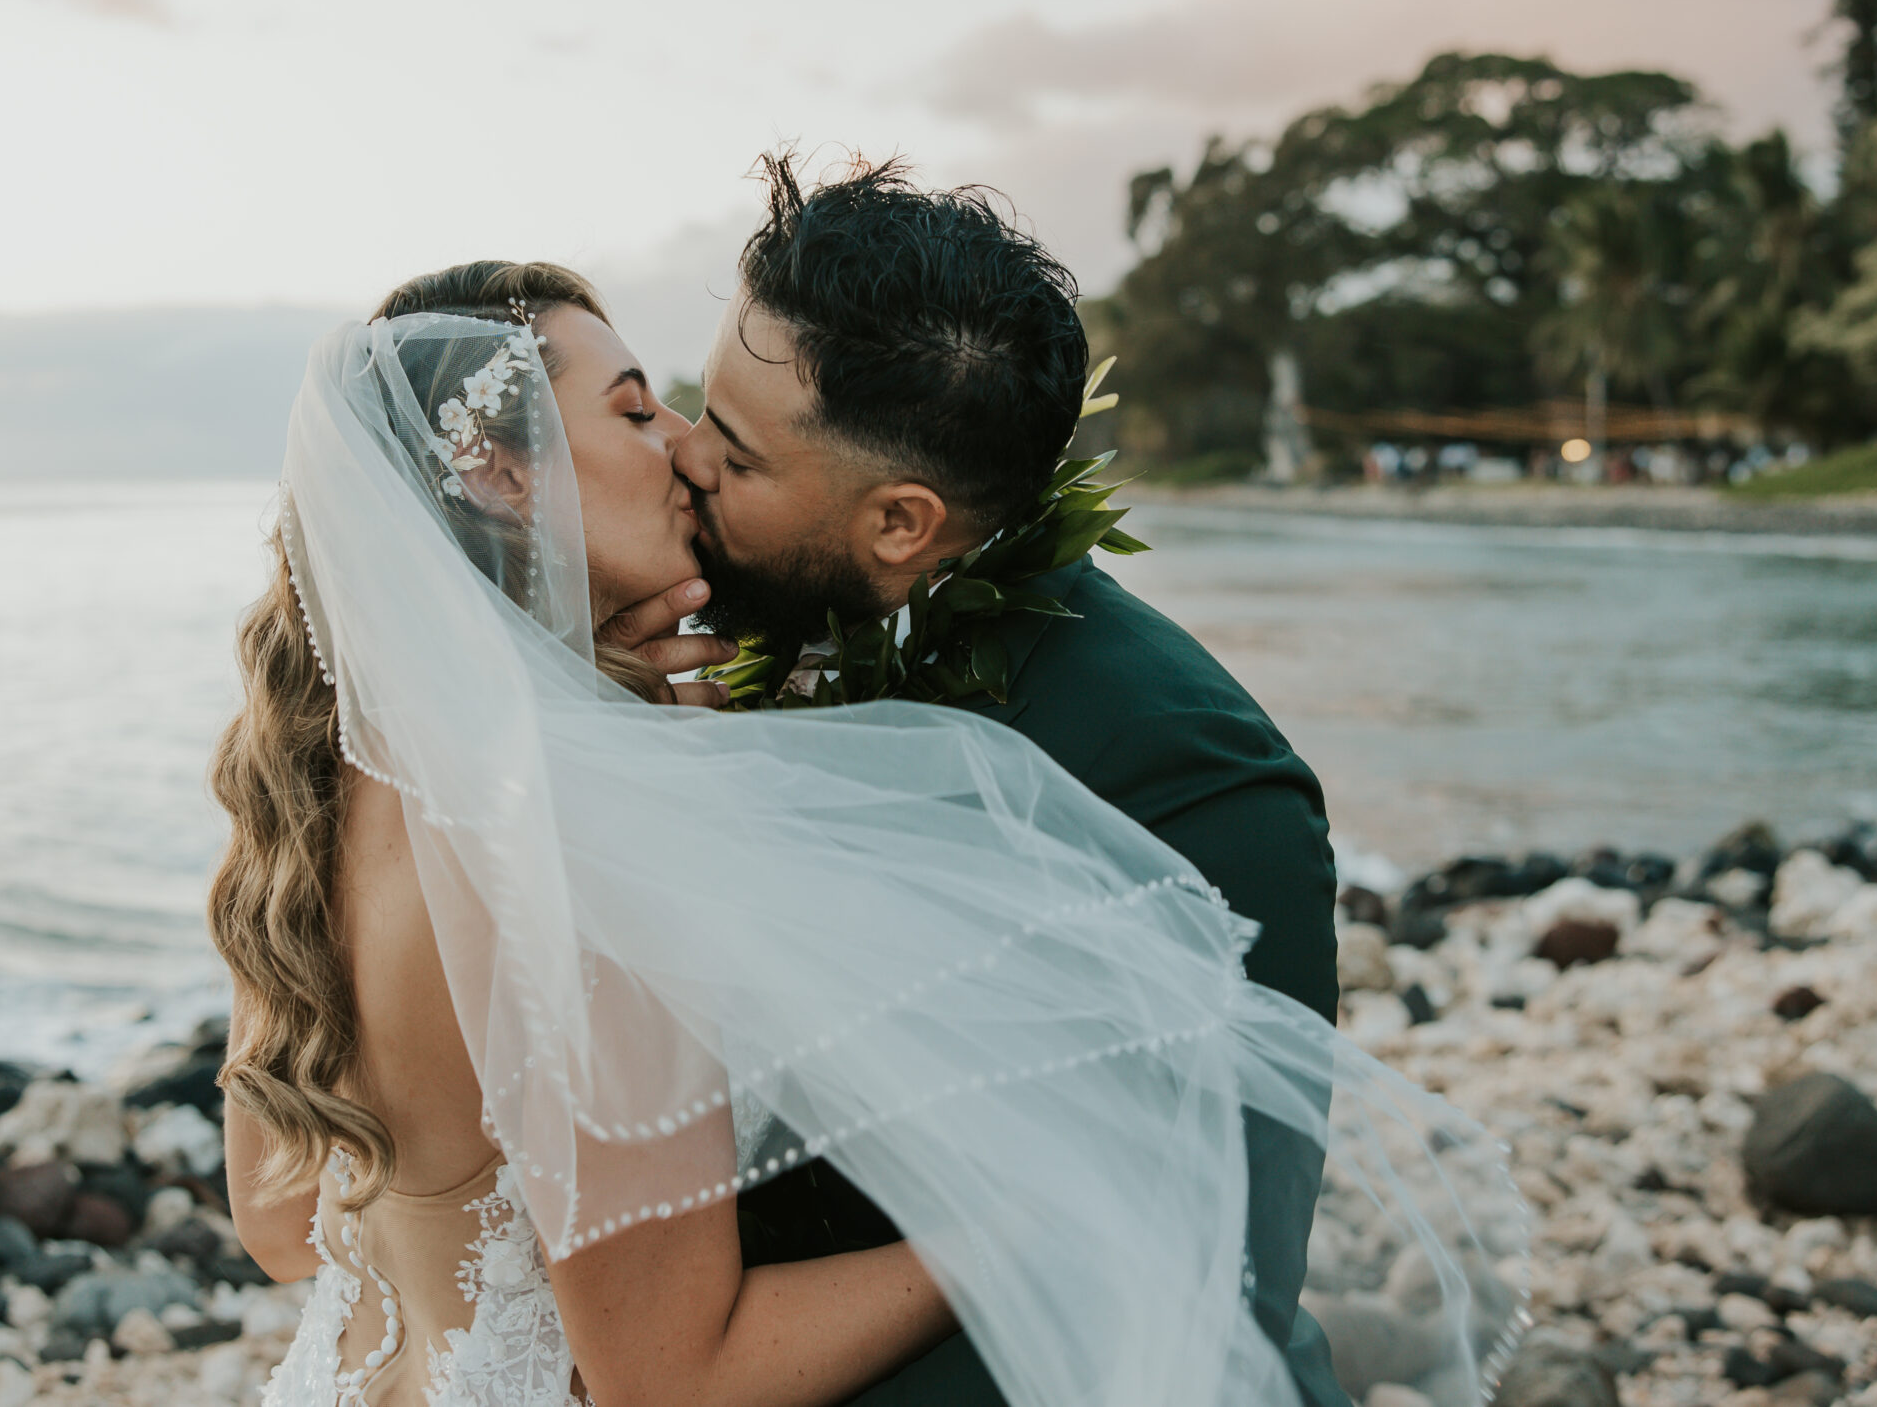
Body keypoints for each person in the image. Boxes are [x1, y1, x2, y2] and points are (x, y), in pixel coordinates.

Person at [217, 259, 1520, 1407]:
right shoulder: (579, 846)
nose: (677, 445)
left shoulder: (315, 800)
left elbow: (281, 1225)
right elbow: (670, 1377)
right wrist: (1035, 1213)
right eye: (635, 408)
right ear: (496, 472)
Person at [649, 155, 1348, 1407]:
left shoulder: (1187, 779)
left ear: (902, 526)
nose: (682, 462)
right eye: (701, 408)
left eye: (739, 457)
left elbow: (1212, 1261)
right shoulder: (720, 645)